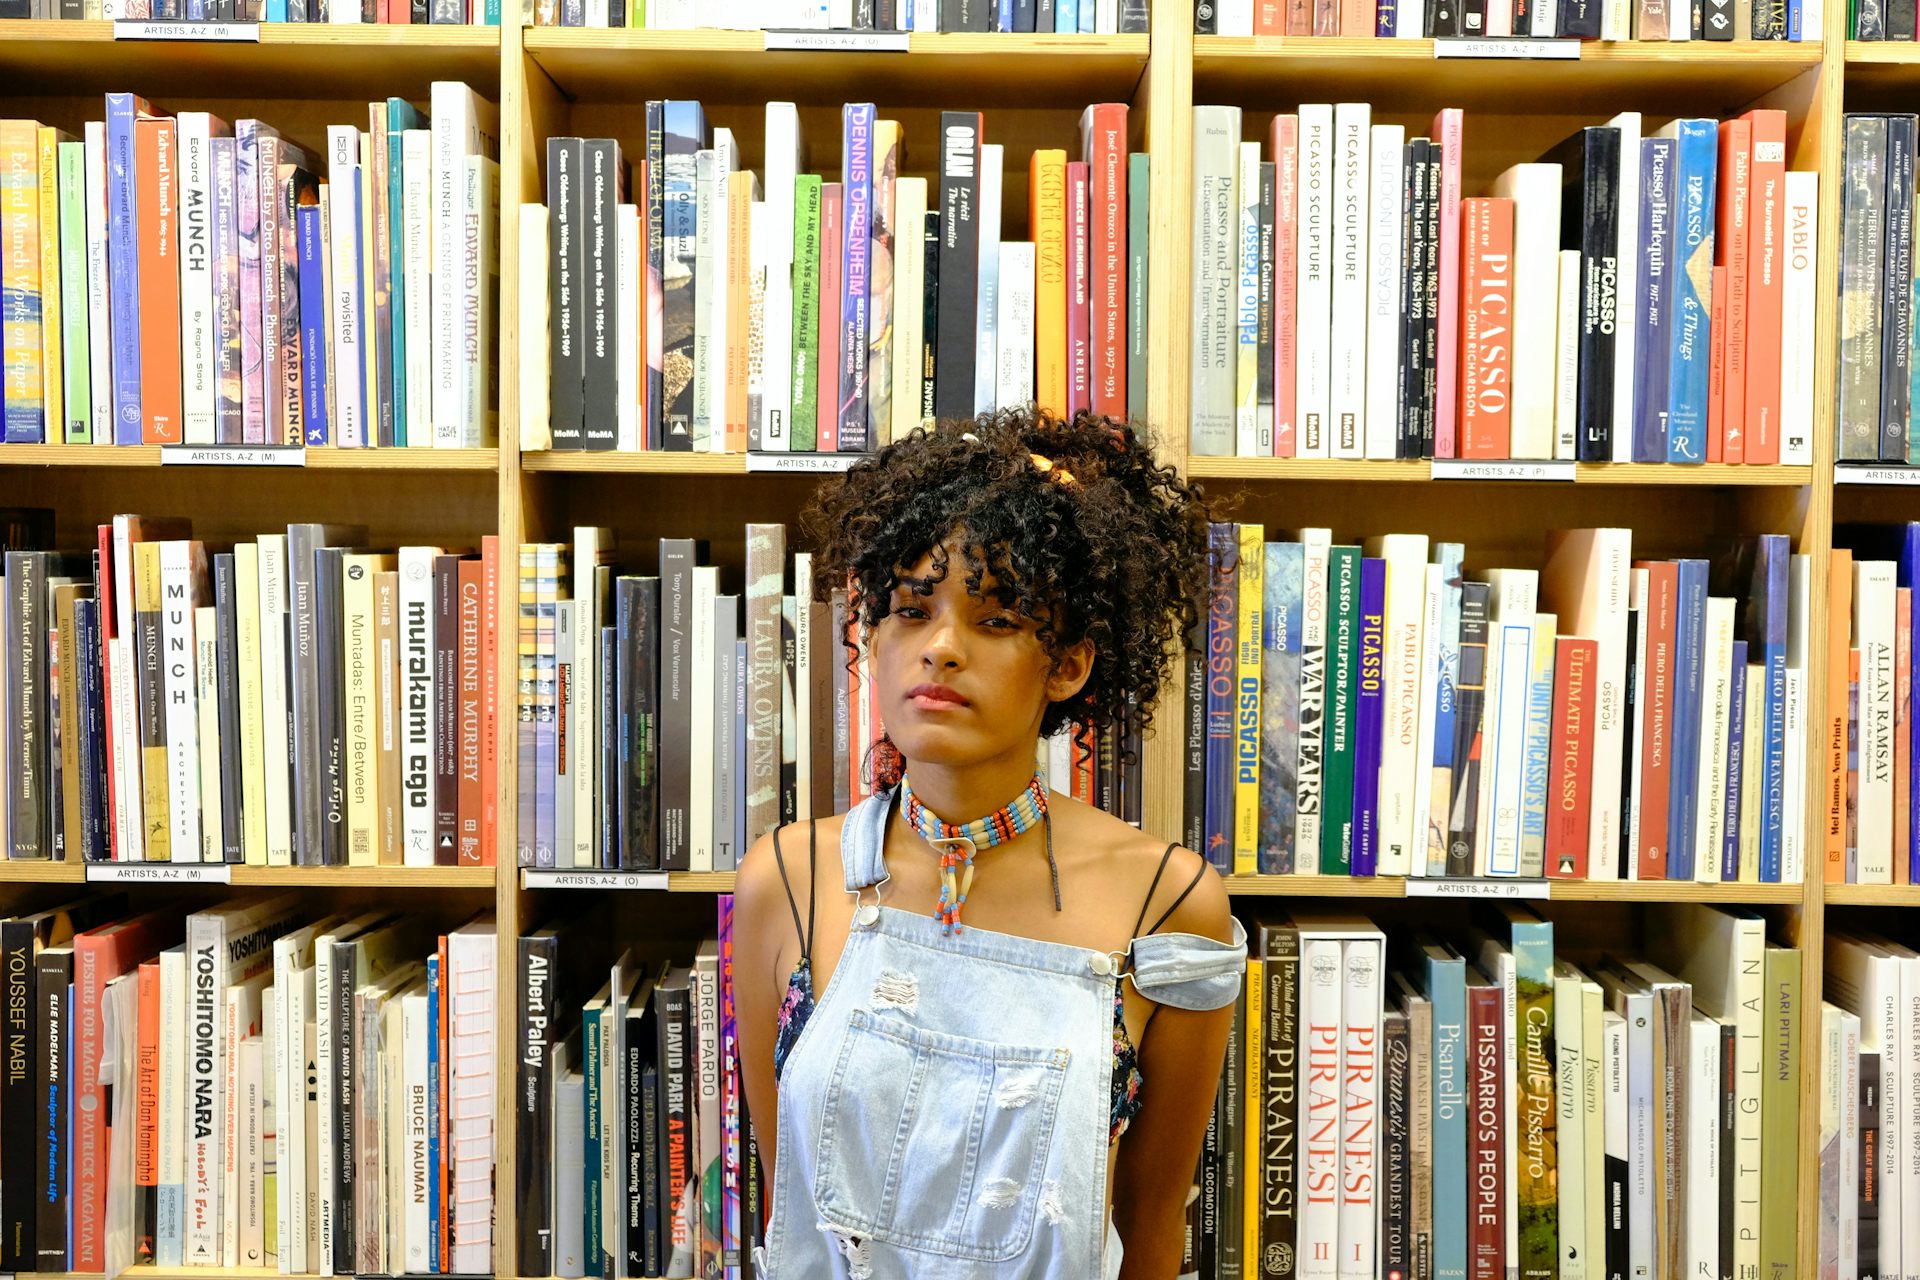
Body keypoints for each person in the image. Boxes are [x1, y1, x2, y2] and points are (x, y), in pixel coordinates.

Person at [733, 408, 1247, 1279]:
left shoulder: (1170, 906)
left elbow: (1153, 1235)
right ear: (872, 632)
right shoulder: (786, 880)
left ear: (1070, 664)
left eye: (996, 619)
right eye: (909, 608)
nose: (938, 648)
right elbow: (794, 1214)